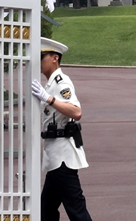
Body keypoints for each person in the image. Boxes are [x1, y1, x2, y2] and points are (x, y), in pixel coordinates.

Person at [31, 38, 94, 221]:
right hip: (55, 158)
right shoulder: (50, 83)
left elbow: (76, 111)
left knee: (76, 211)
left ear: (55, 58)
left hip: (63, 158)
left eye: (42, 56)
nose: (39, 60)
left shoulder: (61, 82)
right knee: (46, 211)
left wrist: (49, 99)